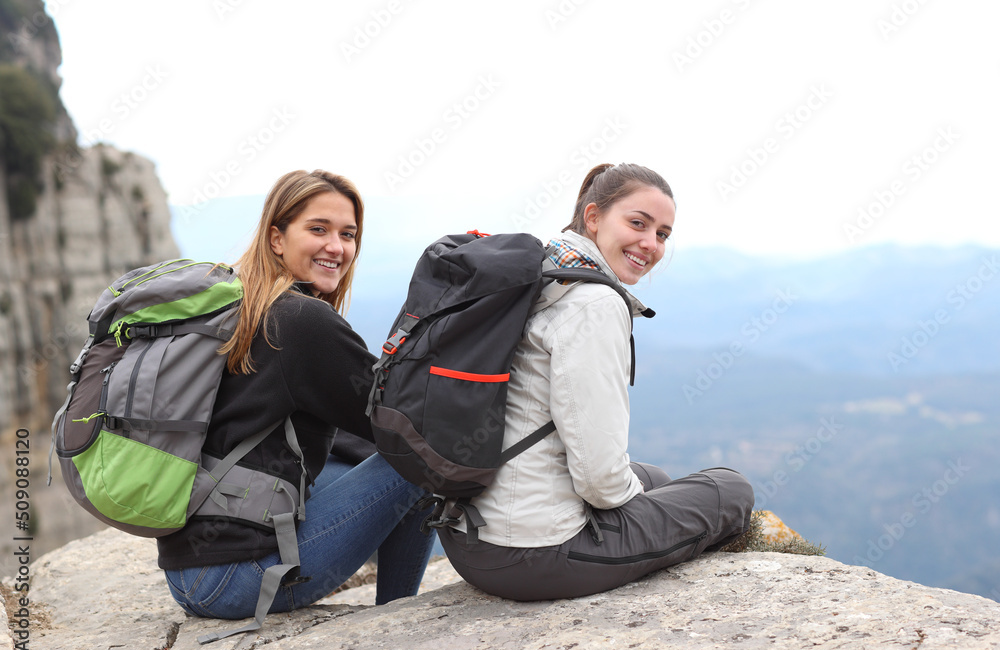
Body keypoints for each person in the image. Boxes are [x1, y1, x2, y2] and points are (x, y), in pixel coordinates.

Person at [439, 163, 755, 601]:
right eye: (638, 223)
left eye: (662, 234)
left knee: (655, 477)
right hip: (534, 556)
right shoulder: (594, 304)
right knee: (730, 489)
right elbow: (601, 482)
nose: (650, 243)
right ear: (593, 217)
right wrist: (639, 510)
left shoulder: (540, 275)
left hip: (466, 540)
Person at [158, 169, 435, 620]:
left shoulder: (238, 301)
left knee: (366, 453)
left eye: (348, 235)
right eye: (318, 230)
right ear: (276, 238)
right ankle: (399, 616)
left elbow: (353, 422)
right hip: (236, 581)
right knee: (421, 457)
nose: (337, 247)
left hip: (189, 574)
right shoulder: (304, 322)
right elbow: (403, 420)